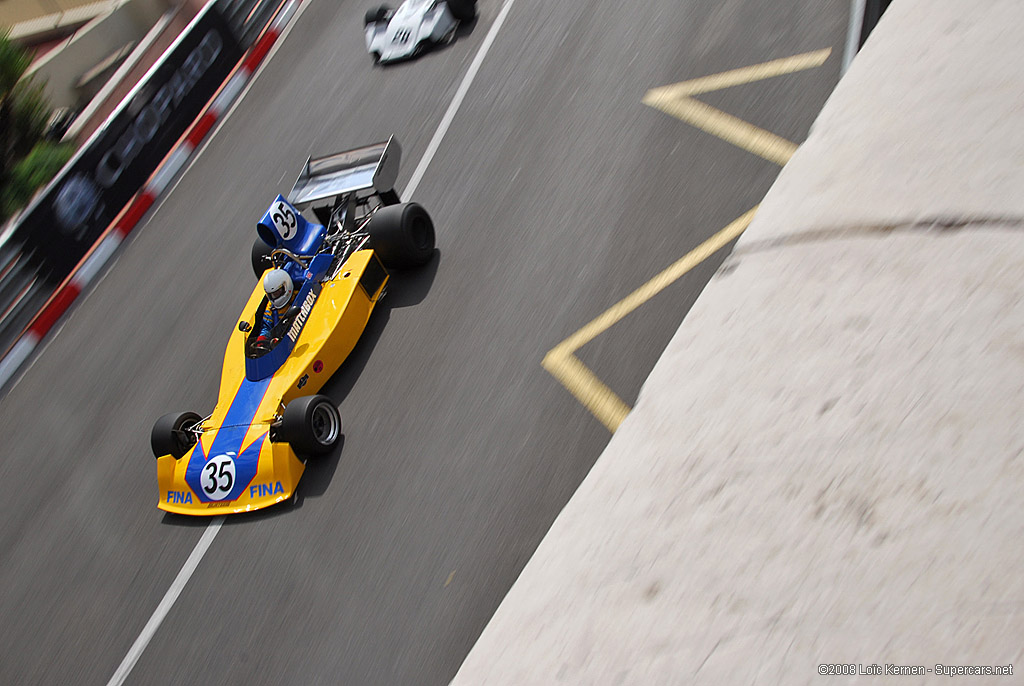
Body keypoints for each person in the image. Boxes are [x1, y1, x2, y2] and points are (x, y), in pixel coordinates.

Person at [255, 268, 296, 351]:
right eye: (272, 294)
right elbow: (267, 326)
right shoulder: (271, 308)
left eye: (277, 292)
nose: (275, 296)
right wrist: (262, 339)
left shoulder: (297, 297)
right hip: (282, 344)